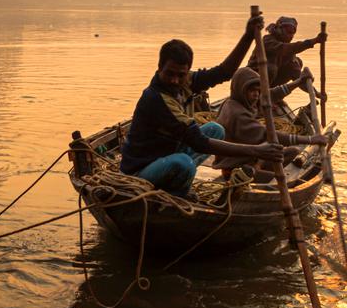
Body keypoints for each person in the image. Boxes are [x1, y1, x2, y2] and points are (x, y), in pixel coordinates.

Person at [118, 15, 286, 197]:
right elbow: (198, 142)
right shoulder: (156, 98)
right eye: (169, 73)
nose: (175, 80)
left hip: (163, 155)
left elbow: (224, 72)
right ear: (159, 68)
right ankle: (178, 195)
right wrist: (257, 150)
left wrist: (247, 36)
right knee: (184, 163)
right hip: (140, 172)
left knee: (215, 129)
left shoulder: (185, 81)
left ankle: (175, 183)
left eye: (180, 75)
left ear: (187, 71)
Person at [214, 66, 327, 178]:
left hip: (252, 158)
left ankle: (259, 165)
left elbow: (271, 95)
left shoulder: (243, 101)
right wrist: (310, 139)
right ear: (241, 90)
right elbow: (268, 135)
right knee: (277, 179)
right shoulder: (237, 113)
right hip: (236, 168)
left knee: (293, 152)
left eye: (258, 91)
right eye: (252, 91)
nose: (256, 94)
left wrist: (298, 82)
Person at [249, 16, 327, 88]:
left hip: (270, 85)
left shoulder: (289, 51)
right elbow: (284, 48)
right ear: (279, 30)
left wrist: (315, 92)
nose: (291, 36)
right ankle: (262, 92)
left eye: (293, 33)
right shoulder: (267, 41)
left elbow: (297, 75)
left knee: (297, 62)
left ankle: (273, 94)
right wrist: (314, 41)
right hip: (251, 81)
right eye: (289, 32)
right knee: (271, 68)